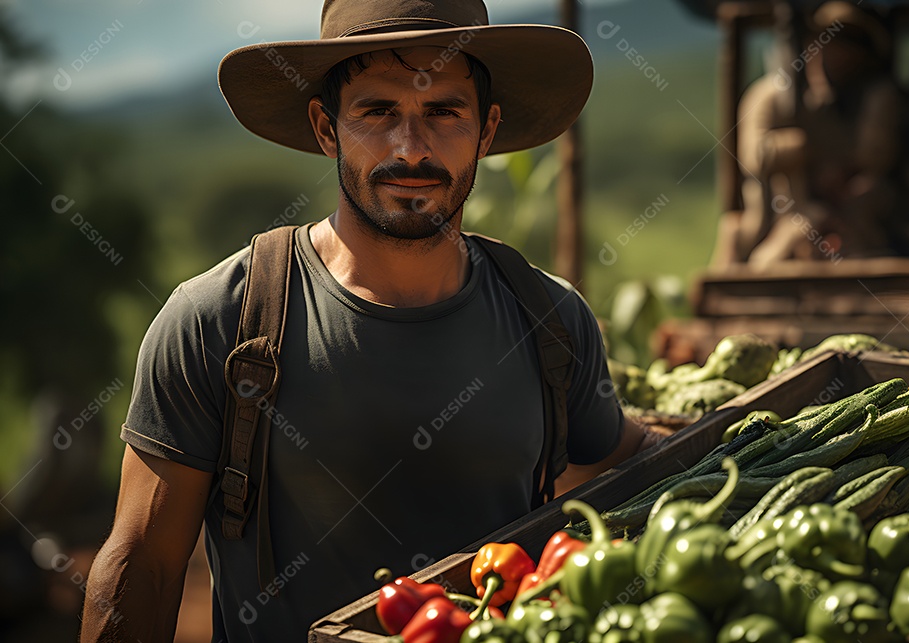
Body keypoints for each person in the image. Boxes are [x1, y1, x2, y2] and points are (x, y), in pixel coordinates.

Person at [80, 1, 662, 640]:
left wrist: (759, 436)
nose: (411, 148)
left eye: (444, 111)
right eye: (377, 111)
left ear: (487, 131)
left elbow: (628, 462)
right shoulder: (219, 321)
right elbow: (143, 566)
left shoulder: (550, 318)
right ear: (326, 129)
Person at [733, 1, 902, 265]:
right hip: (779, 218)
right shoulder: (769, 98)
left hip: (838, 218)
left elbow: (871, 157)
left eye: (851, 44)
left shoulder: (847, 104)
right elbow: (754, 157)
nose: (841, 53)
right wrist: (800, 149)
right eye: (833, 40)